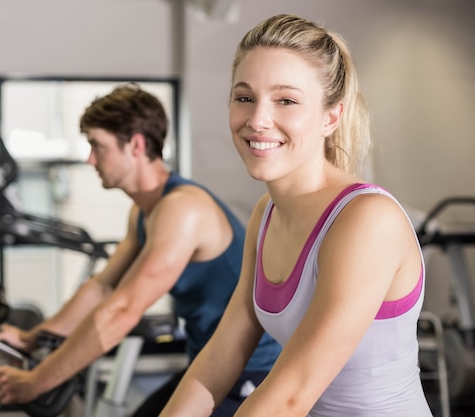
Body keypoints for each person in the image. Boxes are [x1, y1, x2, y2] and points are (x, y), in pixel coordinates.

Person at [159, 14, 433, 417]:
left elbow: (291, 395)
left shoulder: (366, 220)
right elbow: (221, 356)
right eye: (244, 97)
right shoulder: (266, 214)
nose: (257, 120)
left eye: (285, 100)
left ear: (330, 117)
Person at [0, 83, 281, 416]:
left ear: (136, 144)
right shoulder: (144, 209)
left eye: (97, 145)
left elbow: (122, 311)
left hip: (251, 375)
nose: (90, 158)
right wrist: (32, 338)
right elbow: (103, 287)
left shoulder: (183, 209)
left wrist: (35, 381)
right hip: (208, 362)